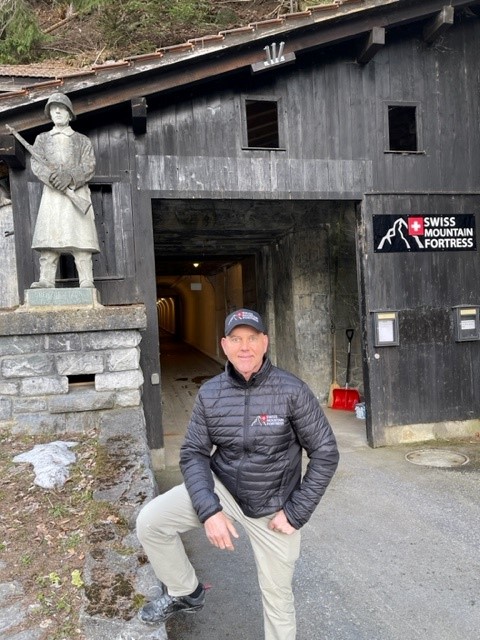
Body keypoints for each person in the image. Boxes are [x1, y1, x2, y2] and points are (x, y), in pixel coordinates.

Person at [136, 308, 339, 640]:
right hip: (223, 490)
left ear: (265, 343)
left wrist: (296, 513)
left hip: (274, 507)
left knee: (278, 600)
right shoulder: (211, 393)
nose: (245, 347)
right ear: (224, 346)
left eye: (252, 338)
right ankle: (185, 591)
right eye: (236, 339)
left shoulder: (292, 390)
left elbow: (326, 452)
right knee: (151, 521)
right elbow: (193, 453)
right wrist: (209, 509)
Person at [29, 91, 100, 289]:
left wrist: (70, 177)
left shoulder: (82, 141)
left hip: (76, 194)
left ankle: (86, 280)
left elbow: (89, 166)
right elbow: (36, 164)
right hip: (53, 196)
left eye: (62, 109)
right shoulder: (42, 139)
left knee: (80, 239)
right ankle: (46, 280)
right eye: (54, 109)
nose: (58, 111)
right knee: (49, 238)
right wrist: (52, 179)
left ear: (70, 114)